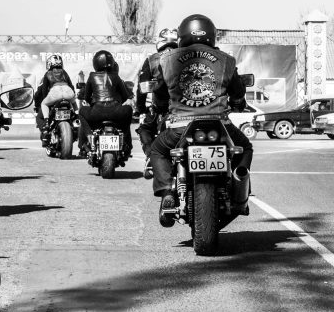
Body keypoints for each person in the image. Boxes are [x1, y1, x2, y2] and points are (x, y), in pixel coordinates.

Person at [145, 14, 254, 227]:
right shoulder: (226, 60)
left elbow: (159, 94)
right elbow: (238, 92)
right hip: (219, 124)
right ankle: (239, 190)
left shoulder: (166, 60)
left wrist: (158, 107)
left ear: (182, 35)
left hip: (180, 126)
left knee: (157, 150)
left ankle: (167, 191)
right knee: (246, 148)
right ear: (211, 35)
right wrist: (238, 102)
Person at [134, 29, 179, 177]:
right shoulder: (186, 57)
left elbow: (142, 88)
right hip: (186, 107)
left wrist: (141, 109)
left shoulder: (152, 60)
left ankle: (150, 156)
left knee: (145, 129)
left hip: (162, 109)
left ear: (160, 42)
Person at [77, 49, 134, 157]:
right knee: (129, 110)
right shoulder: (116, 76)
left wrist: (88, 102)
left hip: (97, 112)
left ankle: (89, 137)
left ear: (96, 63)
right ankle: (125, 138)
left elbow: (86, 97)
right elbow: (126, 96)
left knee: (81, 111)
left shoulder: (92, 76)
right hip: (116, 111)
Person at [33, 53, 77, 146]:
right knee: (74, 105)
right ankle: (77, 119)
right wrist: (72, 99)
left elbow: (44, 91)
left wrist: (45, 100)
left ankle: (46, 124)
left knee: (44, 104)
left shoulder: (47, 73)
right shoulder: (64, 72)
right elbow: (71, 87)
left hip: (55, 93)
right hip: (68, 92)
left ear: (49, 63)